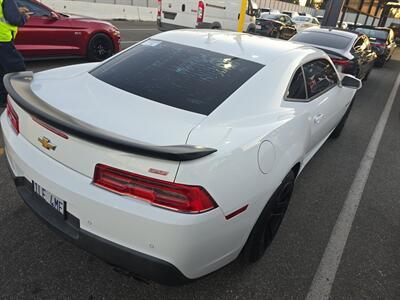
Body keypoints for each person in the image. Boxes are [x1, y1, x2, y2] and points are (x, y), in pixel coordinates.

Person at [0, 0, 30, 107]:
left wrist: (16, 11)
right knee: (17, 69)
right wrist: (24, 17)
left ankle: (3, 99)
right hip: (2, 40)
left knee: (2, 70)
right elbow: (15, 19)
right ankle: (22, 98)